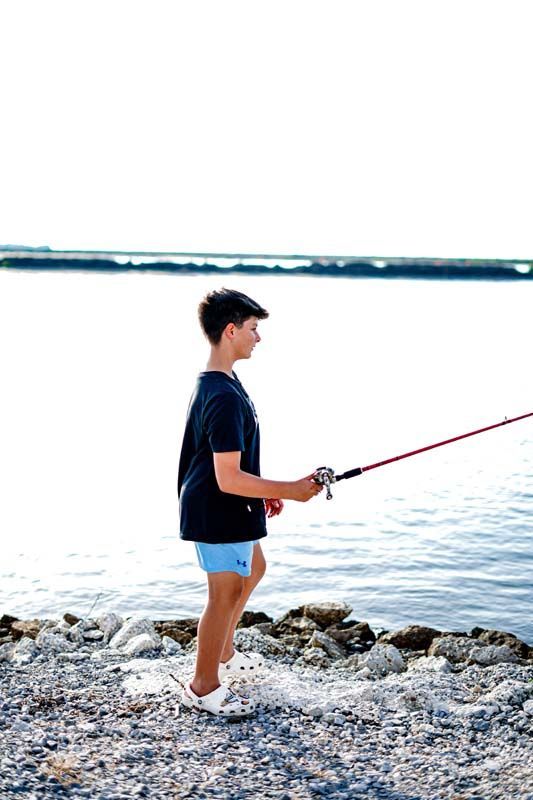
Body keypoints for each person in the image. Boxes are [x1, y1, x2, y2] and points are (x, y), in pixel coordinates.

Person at [177, 287, 323, 717]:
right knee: (224, 593)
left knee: (254, 569)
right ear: (230, 330)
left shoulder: (224, 382)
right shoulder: (220, 395)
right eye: (253, 329)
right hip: (215, 507)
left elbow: (233, 465)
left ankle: (224, 654)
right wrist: (287, 489)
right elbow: (226, 477)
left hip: (231, 503)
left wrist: (262, 492)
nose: (258, 338)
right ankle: (204, 686)